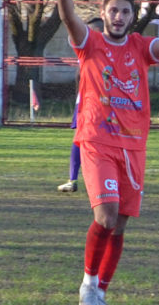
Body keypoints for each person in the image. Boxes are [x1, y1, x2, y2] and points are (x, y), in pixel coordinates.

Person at [57, 0, 159, 305]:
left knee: (119, 226)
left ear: (132, 17)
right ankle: (88, 281)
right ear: (104, 14)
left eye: (125, 12)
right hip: (96, 140)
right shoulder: (90, 43)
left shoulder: (138, 46)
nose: (119, 17)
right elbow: (69, 19)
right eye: (113, 10)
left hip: (133, 146)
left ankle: (101, 289)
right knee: (106, 215)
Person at [58, 17, 104, 193]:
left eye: (91, 31)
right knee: (90, 140)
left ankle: (73, 179)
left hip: (93, 102)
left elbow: (79, 76)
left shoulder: (93, 50)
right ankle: (75, 180)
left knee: (82, 140)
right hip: (93, 102)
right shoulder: (90, 49)